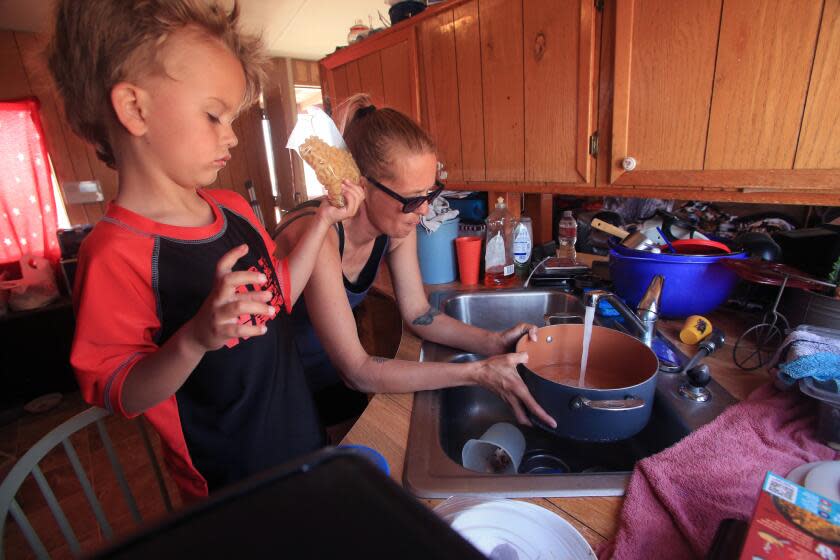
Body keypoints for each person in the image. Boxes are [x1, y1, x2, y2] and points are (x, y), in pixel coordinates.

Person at [49, 0, 363, 501]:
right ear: (134, 109)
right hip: (230, 483)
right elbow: (121, 392)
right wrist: (195, 338)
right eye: (215, 115)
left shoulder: (233, 208)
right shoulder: (114, 252)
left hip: (299, 439)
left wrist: (324, 220)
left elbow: (277, 295)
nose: (232, 136)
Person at [275, 95, 557, 432]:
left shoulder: (397, 223)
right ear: (360, 185)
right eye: (412, 199)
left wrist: (492, 342)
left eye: (430, 193)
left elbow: (418, 314)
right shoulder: (319, 234)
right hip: (274, 383)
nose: (424, 211)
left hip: (326, 366)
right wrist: (475, 373)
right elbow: (357, 370)